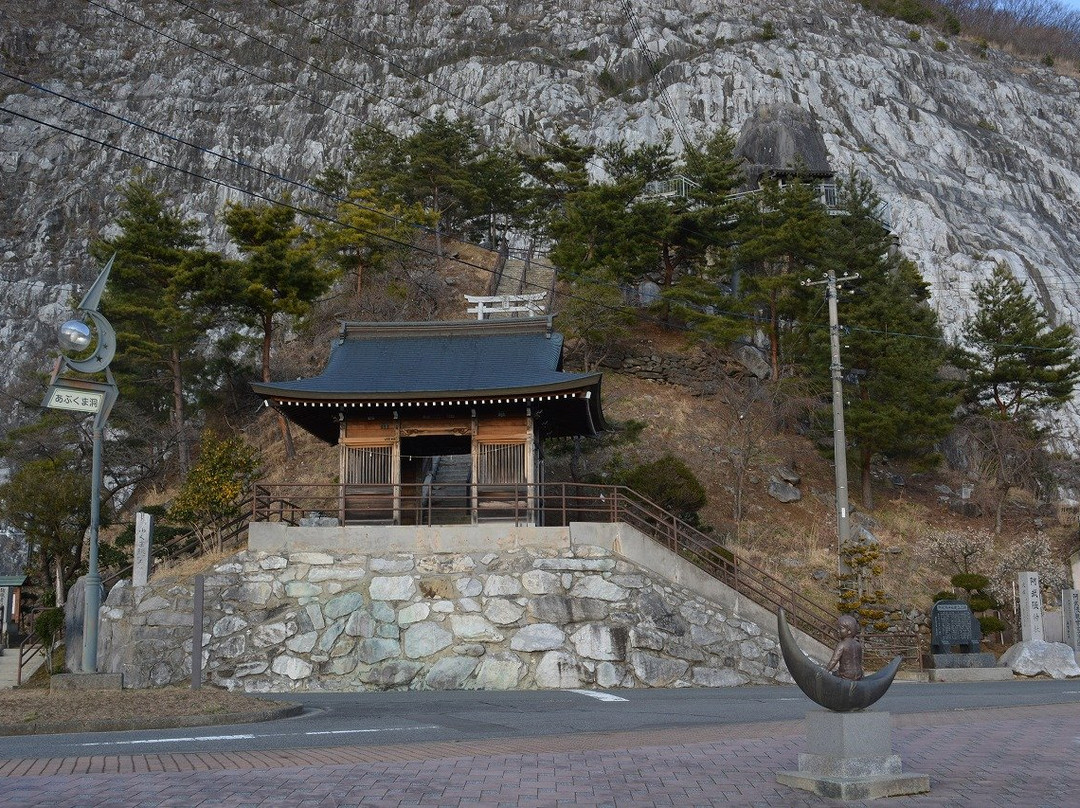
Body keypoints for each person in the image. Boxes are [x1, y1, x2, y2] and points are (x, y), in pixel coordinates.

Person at [826, 614, 864, 680]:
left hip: (846, 675)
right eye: (838, 628)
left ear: (849, 631)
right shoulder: (858, 644)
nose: (838, 631)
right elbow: (859, 661)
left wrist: (826, 671)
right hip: (858, 675)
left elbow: (834, 660)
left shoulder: (842, 644)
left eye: (841, 628)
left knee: (833, 674)